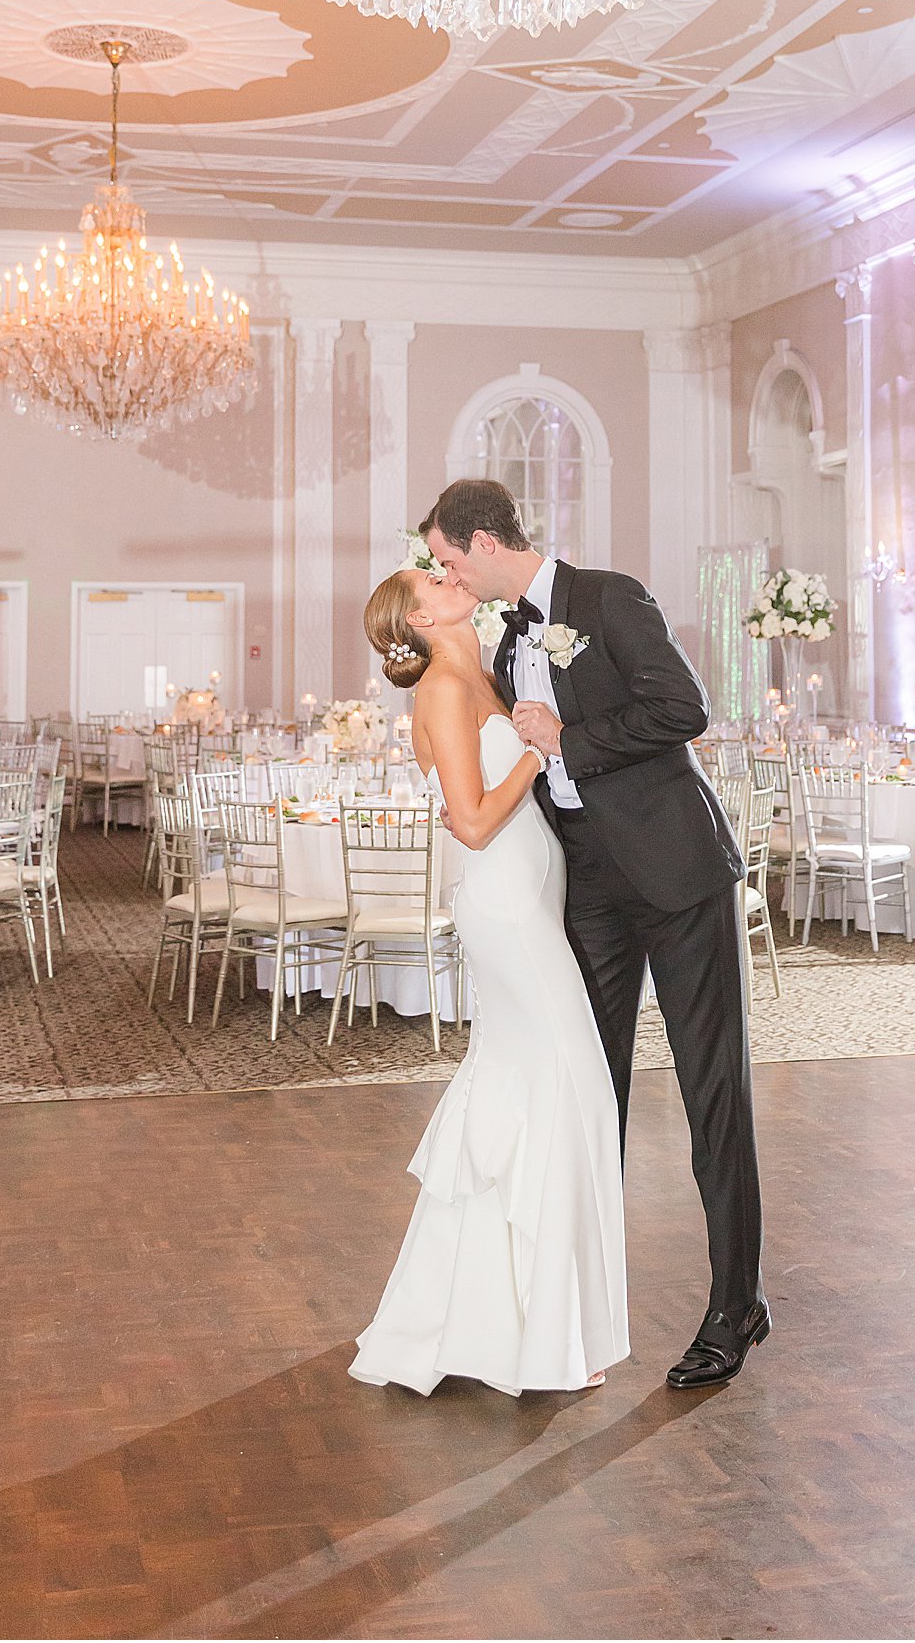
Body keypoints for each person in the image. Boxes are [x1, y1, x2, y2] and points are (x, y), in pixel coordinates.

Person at [421, 478, 767, 1391]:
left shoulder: (609, 597)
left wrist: (571, 734)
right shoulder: (501, 641)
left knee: (711, 1094)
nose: (446, 571)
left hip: (680, 877)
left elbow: (684, 709)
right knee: (588, 1093)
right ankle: (574, 1302)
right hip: (589, 894)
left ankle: (737, 1305)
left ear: (487, 542)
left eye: (451, 558)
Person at [348, 566, 629, 1398]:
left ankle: (506, 1323)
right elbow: (469, 822)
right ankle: (544, 1332)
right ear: (422, 614)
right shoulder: (440, 685)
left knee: (536, 1095)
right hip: (506, 910)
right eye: (429, 576)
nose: (447, 574)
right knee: (574, 1085)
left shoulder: (483, 669)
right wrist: (538, 756)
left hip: (533, 896)